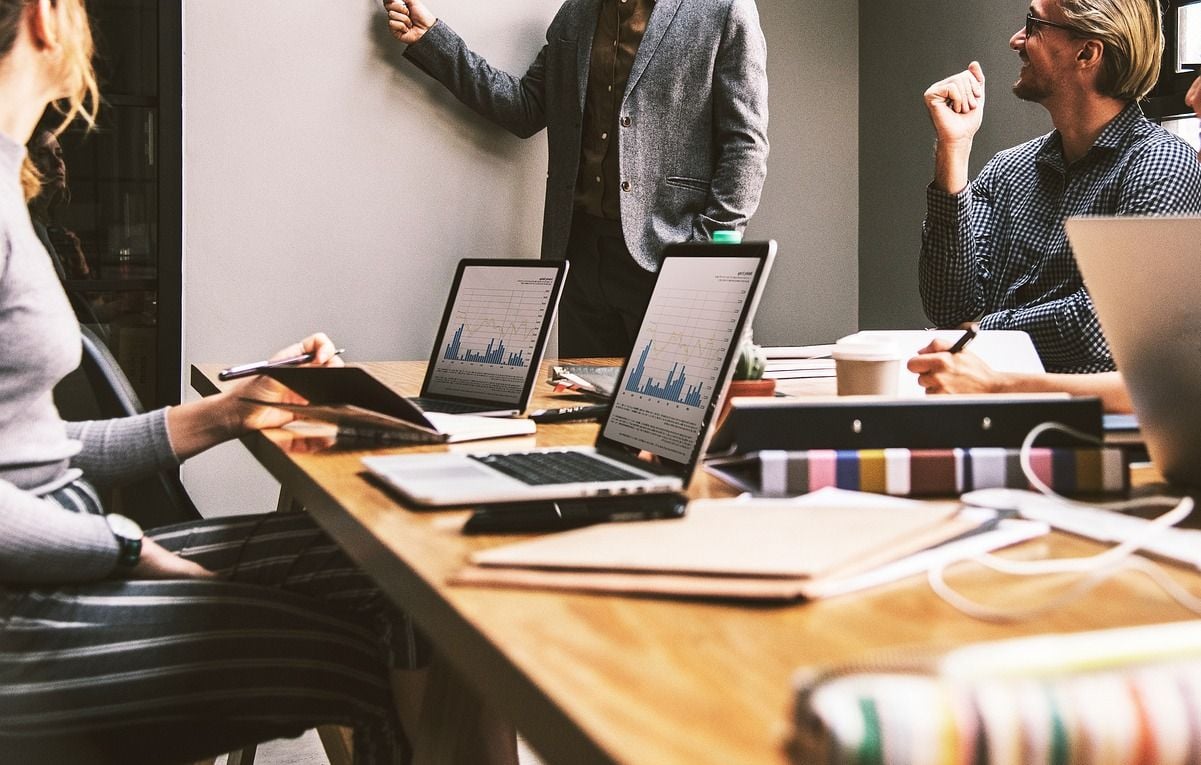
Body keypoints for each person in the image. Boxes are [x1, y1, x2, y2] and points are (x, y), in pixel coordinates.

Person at [0, 2, 516, 762]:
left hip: (63, 569)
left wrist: (229, 412)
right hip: (31, 613)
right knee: (372, 648)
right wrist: (128, 549)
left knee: (409, 567)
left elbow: (28, 451)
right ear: (46, 18)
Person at [383, 0, 769, 356]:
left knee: (664, 419)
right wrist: (433, 39)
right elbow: (524, 108)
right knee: (581, 417)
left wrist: (702, 252)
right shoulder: (576, 13)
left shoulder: (723, 8)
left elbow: (746, 145)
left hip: (668, 255)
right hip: (579, 257)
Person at [909, 0, 1201, 412]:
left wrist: (976, 332)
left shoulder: (1161, 164)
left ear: (1087, 53)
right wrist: (953, 152)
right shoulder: (1008, 169)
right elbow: (948, 306)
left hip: (1084, 430)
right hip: (983, 412)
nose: (1016, 40)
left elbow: (1103, 328)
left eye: (1033, 24)